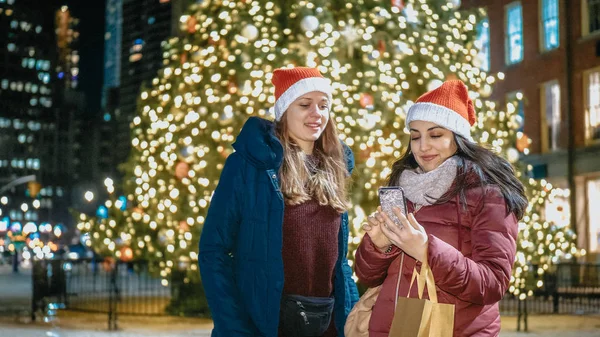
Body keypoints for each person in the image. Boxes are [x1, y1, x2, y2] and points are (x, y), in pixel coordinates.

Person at [354, 80, 527, 337]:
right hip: (394, 329)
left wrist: (426, 250)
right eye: (415, 136)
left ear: (458, 139)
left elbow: (492, 284)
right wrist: (378, 247)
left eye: (435, 135)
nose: (423, 146)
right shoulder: (402, 188)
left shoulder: (488, 193)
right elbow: (367, 276)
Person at [199, 67, 359, 337]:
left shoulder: (336, 167)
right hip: (266, 324)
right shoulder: (248, 167)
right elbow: (213, 252)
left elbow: (339, 262)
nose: (316, 113)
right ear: (284, 111)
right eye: (305, 104)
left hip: (327, 324)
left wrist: (351, 316)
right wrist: (235, 328)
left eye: (323, 105)